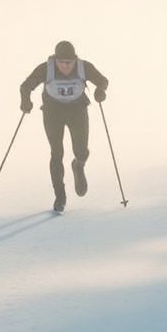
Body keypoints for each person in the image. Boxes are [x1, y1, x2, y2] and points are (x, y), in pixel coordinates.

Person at [20, 40, 109, 213]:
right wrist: (25, 101)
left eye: (69, 62)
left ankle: (78, 165)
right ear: (55, 60)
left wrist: (100, 91)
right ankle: (60, 197)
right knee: (56, 152)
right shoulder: (46, 68)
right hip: (53, 112)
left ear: (75, 60)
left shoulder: (84, 67)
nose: (66, 66)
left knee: (82, 150)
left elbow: (103, 80)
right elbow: (26, 86)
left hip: (77, 110)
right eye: (61, 62)